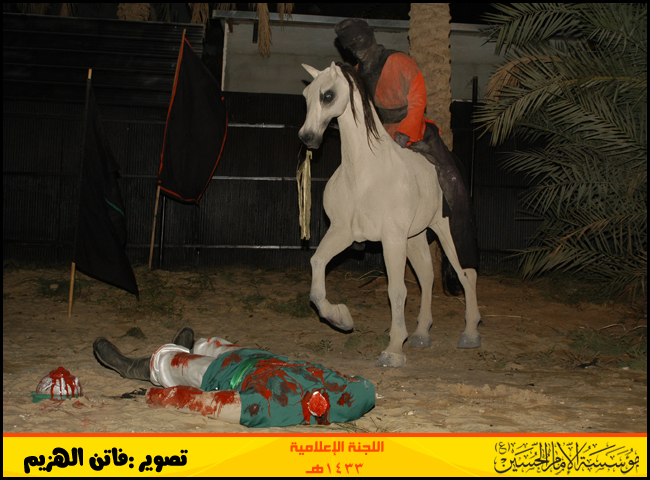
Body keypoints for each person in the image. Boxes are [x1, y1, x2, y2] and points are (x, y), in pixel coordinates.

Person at [334, 18, 479, 276]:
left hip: (415, 130)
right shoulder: (356, 73)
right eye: (352, 47)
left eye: (360, 43)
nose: (358, 50)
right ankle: (354, 229)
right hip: (380, 137)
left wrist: (406, 132)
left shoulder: (399, 61)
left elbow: (418, 98)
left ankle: (462, 242)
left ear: (371, 37)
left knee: (453, 178)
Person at [93, 328, 375, 428]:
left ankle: (132, 367)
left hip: (223, 375)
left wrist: (159, 395)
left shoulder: (269, 407)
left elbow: (211, 403)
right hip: (259, 358)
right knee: (209, 343)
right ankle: (184, 348)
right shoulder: (341, 395)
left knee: (174, 364)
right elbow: (366, 389)